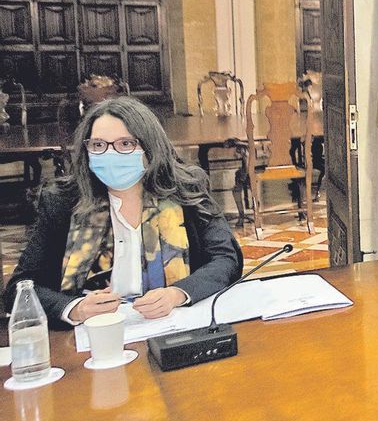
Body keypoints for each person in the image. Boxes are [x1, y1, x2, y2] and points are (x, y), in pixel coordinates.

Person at [4, 97, 243, 329]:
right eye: (98, 145)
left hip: (172, 328)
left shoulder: (185, 190)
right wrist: (74, 308)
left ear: (151, 148)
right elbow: (19, 289)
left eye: (125, 144)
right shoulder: (63, 202)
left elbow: (225, 259)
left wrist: (177, 294)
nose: (110, 154)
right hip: (94, 334)